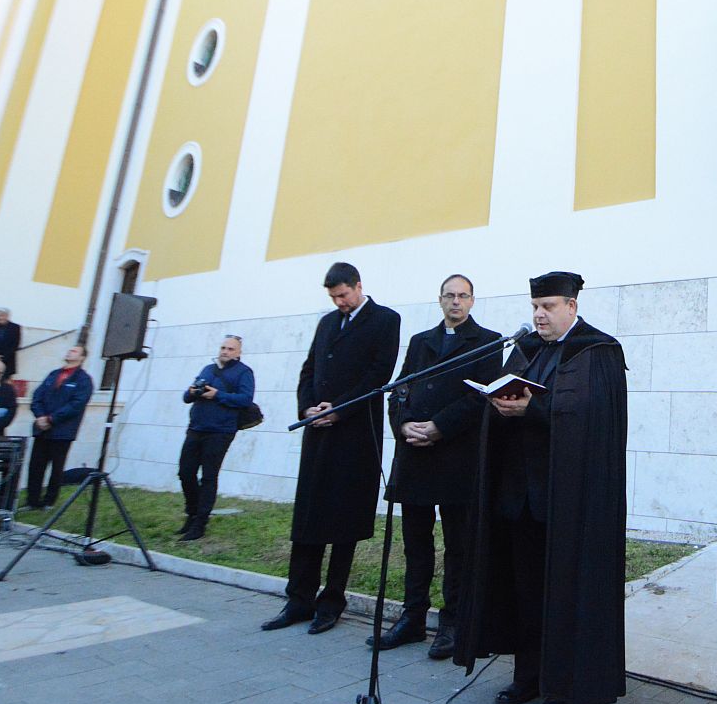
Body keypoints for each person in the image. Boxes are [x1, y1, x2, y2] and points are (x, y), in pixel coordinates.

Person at [454, 271, 628, 704]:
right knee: (524, 590)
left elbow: (594, 420)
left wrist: (536, 409)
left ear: (571, 306)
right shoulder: (526, 348)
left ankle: (563, 687)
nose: (539, 314)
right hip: (519, 497)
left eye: (548, 306)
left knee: (563, 592)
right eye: (535, 306)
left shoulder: (598, 351)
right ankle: (526, 675)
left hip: (569, 500)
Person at [262, 262, 399, 635]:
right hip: (317, 431)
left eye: (343, 295)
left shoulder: (385, 320)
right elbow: (309, 369)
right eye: (333, 297)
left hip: (353, 434)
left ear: (358, 286)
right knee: (308, 518)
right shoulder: (326, 323)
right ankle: (299, 598)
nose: (339, 302)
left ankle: (332, 600)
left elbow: (379, 374)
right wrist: (307, 408)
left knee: (343, 520)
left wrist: (338, 409)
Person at [369, 274, 500, 659]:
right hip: (415, 457)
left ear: (473, 301)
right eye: (449, 296)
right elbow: (399, 389)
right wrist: (403, 423)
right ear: (439, 300)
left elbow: (482, 398)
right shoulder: (421, 341)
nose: (456, 302)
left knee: (457, 545)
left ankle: (453, 622)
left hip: (456, 459)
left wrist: (440, 427)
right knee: (416, 544)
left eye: (463, 296)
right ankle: (412, 618)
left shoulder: (488, 342)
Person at [177, 334, 256, 542]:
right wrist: (193, 392)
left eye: (231, 349)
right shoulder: (207, 369)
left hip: (220, 431)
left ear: (239, 353)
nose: (225, 351)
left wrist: (217, 395)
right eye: (223, 347)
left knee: (209, 476)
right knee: (185, 472)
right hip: (196, 428)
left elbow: (246, 399)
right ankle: (191, 513)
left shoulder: (244, 372)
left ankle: (200, 522)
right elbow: (186, 397)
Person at [25, 345, 93, 508]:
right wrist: (40, 416)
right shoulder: (54, 374)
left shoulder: (83, 380)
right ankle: (32, 501)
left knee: (56, 468)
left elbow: (76, 405)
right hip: (42, 429)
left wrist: (52, 419)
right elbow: (37, 396)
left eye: (75, 351)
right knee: (36, 466)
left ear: (82, 358)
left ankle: (49, 501)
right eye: (69, 349)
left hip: (62, 431)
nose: (69, 351)